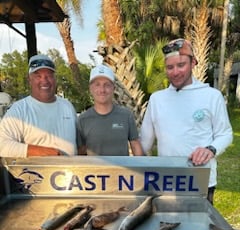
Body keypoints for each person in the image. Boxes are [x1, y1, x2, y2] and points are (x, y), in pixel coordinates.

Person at [140, 38, 233, 204]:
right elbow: (144, 144)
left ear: (193, 63)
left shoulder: (212, 96)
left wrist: (211, 149)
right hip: (166, 181)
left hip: (200, 180)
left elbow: (225, 134)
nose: (175, 72)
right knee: (164, 226)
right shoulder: (156, 99)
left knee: (200, 228)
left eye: (181, 65)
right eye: (170, 67)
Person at [0, 54, 78, 157]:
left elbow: (78, 143)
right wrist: (41, 152)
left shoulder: (67, 106)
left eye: (49, 76)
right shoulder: (19, 110)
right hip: (33, 173)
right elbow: (3, 145)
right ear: (29, 80)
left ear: (55, 79)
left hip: (71, 172)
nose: (44, 81)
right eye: (38, 76)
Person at [78, 64, 143, 156]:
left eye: (107, 85)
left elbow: (135, 144)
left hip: (123, 170)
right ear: (91, 89)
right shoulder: (82, 120)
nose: (102, 90)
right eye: (97, 85)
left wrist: (141, 167)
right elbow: (80, 152)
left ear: (113, 88)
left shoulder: (126, 115)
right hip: (94, 170)